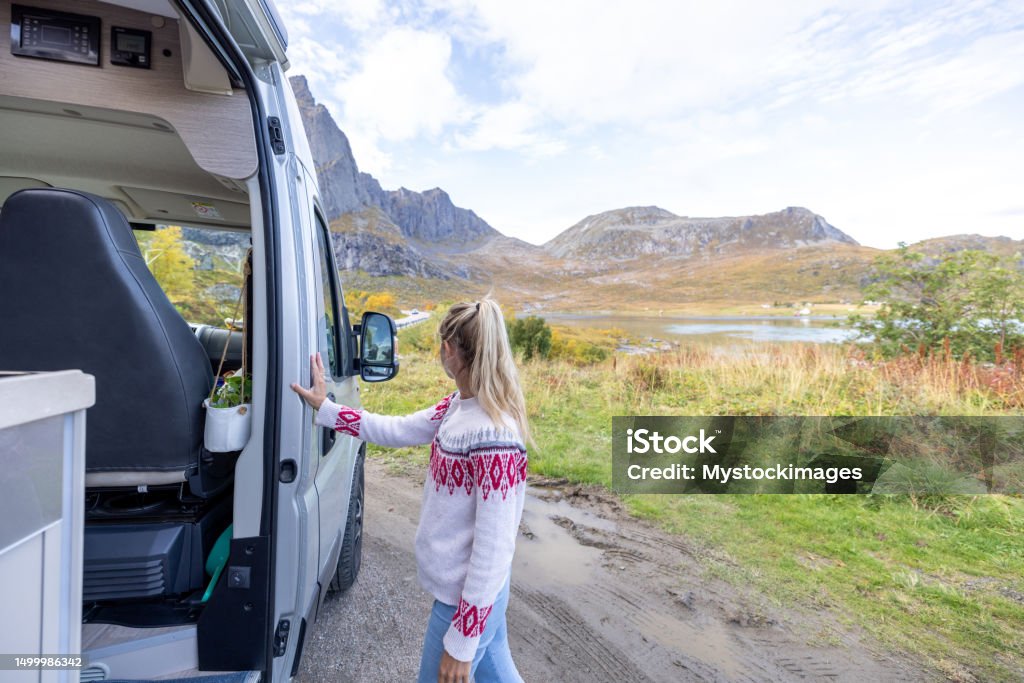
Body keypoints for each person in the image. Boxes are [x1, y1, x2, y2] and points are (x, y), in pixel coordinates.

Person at [291, 296, 531, 683]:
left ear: (449, 350)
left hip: (464, 606)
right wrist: (328, 410)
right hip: (478, 600)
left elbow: (494, 548)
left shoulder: (493, 436)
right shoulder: (457, 406)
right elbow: (399, 429)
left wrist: (463, 640)